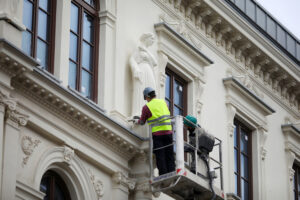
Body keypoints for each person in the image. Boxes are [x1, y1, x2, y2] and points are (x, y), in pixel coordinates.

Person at [135, 87, 175, 175]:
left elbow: (142, 122)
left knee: (160, 156)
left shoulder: (146, 107)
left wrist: (136, 121)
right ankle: (172, 173)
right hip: (168, 132)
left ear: (147, 97)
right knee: (169, 155)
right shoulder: (164, 102)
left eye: (146, 98)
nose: (146, 100)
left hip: (158, 135)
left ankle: (164, 175)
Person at [129, 33, 157, 117]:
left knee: (150, 90)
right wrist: (136, 69)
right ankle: (138, 112)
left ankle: (148, 113)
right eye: (151, 38)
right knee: (140, 88)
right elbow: (132, 59)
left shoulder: (146, 51)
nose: (153, 41)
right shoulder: (139, 49)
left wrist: (146, 51)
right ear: (146, 38)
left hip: (149, 72)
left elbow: (155, 62)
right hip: (142, 70)